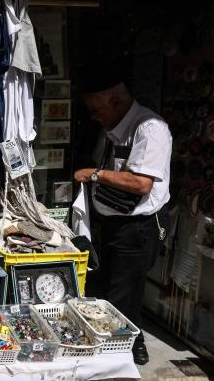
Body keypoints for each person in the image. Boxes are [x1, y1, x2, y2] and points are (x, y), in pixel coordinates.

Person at [74, 65, 172, 366]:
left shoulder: (150, 128)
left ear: (116, 101)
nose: (93, 115)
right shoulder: (110, 128)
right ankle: (135, 340)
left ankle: (112, 361)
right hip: (112, 222)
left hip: (138, 227)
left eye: (95, 108)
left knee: (120, 293)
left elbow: (141, 183)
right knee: (119, 288)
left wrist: (94, 175)